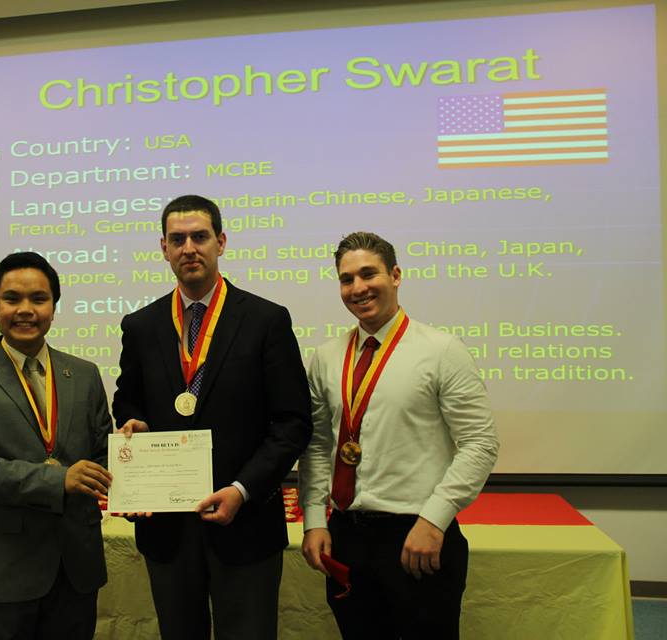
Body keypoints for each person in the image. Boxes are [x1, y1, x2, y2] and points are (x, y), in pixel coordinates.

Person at [112, 194, 312, 640]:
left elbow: (293, 422)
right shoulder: (140, 326)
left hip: (246, 525)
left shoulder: (266, 320)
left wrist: (243, 490)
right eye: (177, 239)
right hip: (167, 529)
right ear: (163, 248)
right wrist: (134, 425)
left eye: (199, 237)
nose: (189, 248)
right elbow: (127, 402)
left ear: (220, 242)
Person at [299, 231, 499, 639]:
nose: (358, 288)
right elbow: (318, 445)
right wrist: (315, 520)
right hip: (346, 537)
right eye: (346, 279)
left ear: (395, 275)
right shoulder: (326, 357)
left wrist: (434, 520)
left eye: (368, 274)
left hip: (418, 536)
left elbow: (480, 443)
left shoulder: (442, 350)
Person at [0, 251, 113, 640]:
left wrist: (133, 454)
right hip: (6, 569)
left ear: (53, 307)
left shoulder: (84, 374)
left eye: (38, 299)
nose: (25, 310)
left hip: (76, 565)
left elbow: (102, 454)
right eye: (12, 298)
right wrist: (59, 480)